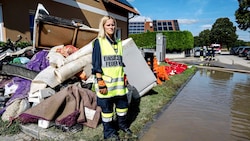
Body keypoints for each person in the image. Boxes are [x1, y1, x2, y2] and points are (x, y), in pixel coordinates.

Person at [92, 16, 135, 140]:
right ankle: (109, 133)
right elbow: (96, 64)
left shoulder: (118, 43)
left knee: (123, 108)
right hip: (105, 84)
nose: (111, 27)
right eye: (108, 25)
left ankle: (122, 126)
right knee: (107, 112)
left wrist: (124, 76)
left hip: (119, 85)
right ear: (103, 27)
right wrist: (100, 81)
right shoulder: (98, 42)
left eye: (113, 25)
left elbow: (119, 62)